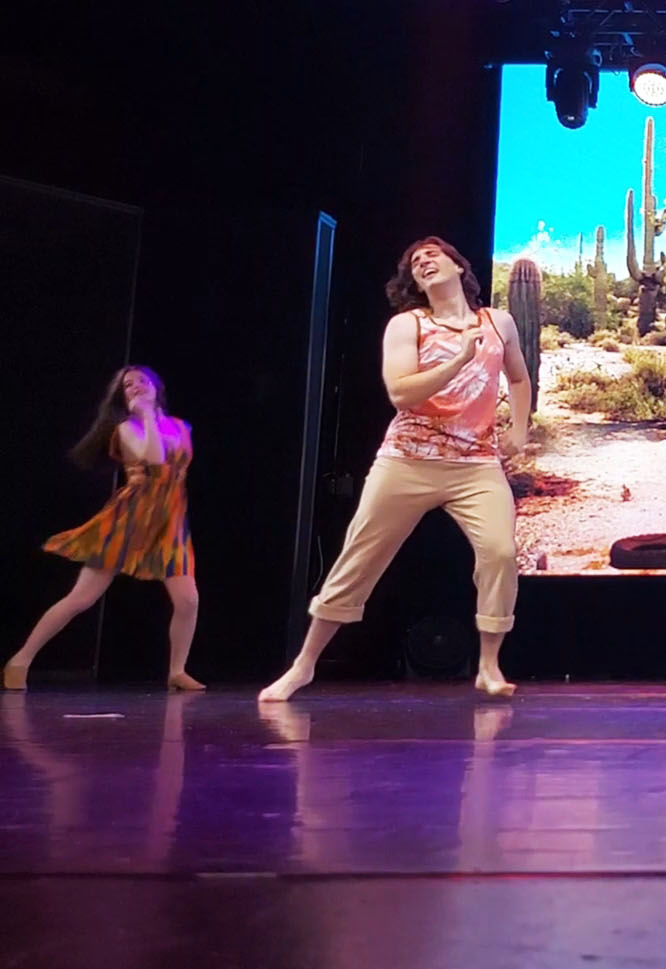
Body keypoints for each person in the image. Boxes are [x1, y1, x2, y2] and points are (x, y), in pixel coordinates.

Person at [260, 236, 531, 702]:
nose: (424, 262)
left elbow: (519, 377)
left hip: (475, 464)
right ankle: (303, 665)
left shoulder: (498, 322)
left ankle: (489, 666)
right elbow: (402, 393)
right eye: (415, 262)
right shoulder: (408, 325)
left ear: (458, 267)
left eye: (433, 255)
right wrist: (459, 359)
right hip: (407, 459)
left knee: (501, 553)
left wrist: (520, 428)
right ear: (415, 283)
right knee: (359, 556)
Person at [5, 366, 202, 691]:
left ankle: (176, 671)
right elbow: (155, 461)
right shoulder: (127, 429)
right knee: (81, 598)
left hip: (170, 521)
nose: (135, 387)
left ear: (157, 387)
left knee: (188, 601)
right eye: (128, 385)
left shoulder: (181, 427)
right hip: (130, 519)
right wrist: (147, 416)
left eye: (142, 381)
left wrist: (154, 418)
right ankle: (20, 660)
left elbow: (177, 468)